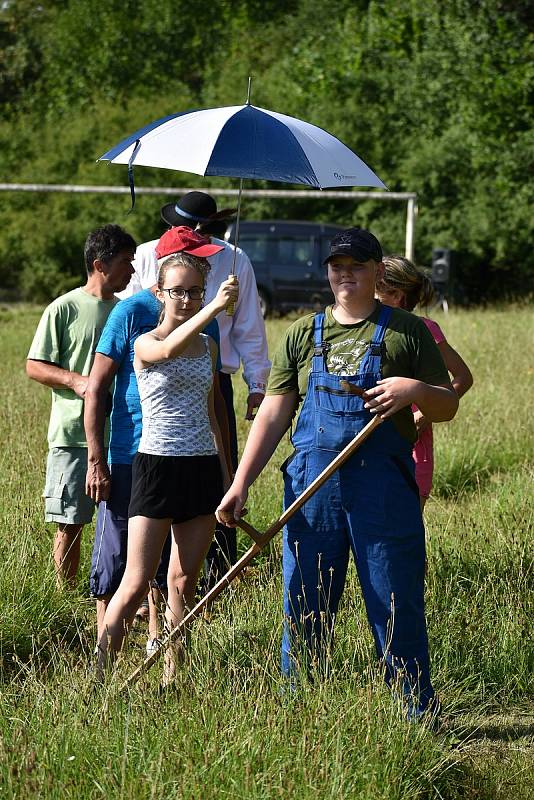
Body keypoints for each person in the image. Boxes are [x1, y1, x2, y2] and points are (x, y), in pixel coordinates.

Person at [216, 227, 459, 720]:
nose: (345, 275)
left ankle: (414, 713)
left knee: (393, 597)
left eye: (356, 266)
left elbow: (448, 403)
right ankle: (300, 713)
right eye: (337, 266)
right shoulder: (305, 332)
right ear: (328, 271)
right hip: (312, 483)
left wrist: (413, 389)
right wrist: (240, 483)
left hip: (383, 485)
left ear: (375, 272)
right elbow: (274, 414)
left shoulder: (405, 331)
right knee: (305, 600)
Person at [97, 239, 239, 683]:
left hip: (200, 467)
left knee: (183, 582)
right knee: (136, 581)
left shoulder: (208, 346)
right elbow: (170, 348)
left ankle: (174, 676)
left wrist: (229, 474)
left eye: (195, 291)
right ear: (158, 292)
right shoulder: (145, 342)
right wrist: (214, 308)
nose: (186, 298)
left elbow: (215, 411)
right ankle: (100, 678)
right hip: (156, 466)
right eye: (178, 290)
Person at [121, 191, 271, 583]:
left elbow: (249, 325)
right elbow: (130, 315)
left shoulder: (235, 259)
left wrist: (257, 383)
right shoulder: (147, 254)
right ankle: (150, 577)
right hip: (155, 373)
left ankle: (218, 573)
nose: (187, 232)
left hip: (211, 373)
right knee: (157, 468)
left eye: (197, 228)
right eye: (181, 226)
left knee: (218, 468)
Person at [26, 225, 135, 586]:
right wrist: (76, 381)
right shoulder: (64, 308)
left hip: (122, 434)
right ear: (100, 264)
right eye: (124, 262)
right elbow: (34, 365)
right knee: (71, 521)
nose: (131, 271)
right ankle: (65, 596)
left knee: (124, 521)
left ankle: (116, 594)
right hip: (73, 435)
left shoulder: (127, 312)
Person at [376, 255, 473, 509]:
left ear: (396, 296)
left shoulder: (425, 330)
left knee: (406, 526)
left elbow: (463, 377)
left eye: (374, 292)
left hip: (415, 446)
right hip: (374, 445)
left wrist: (424, 416)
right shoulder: (362, 328)